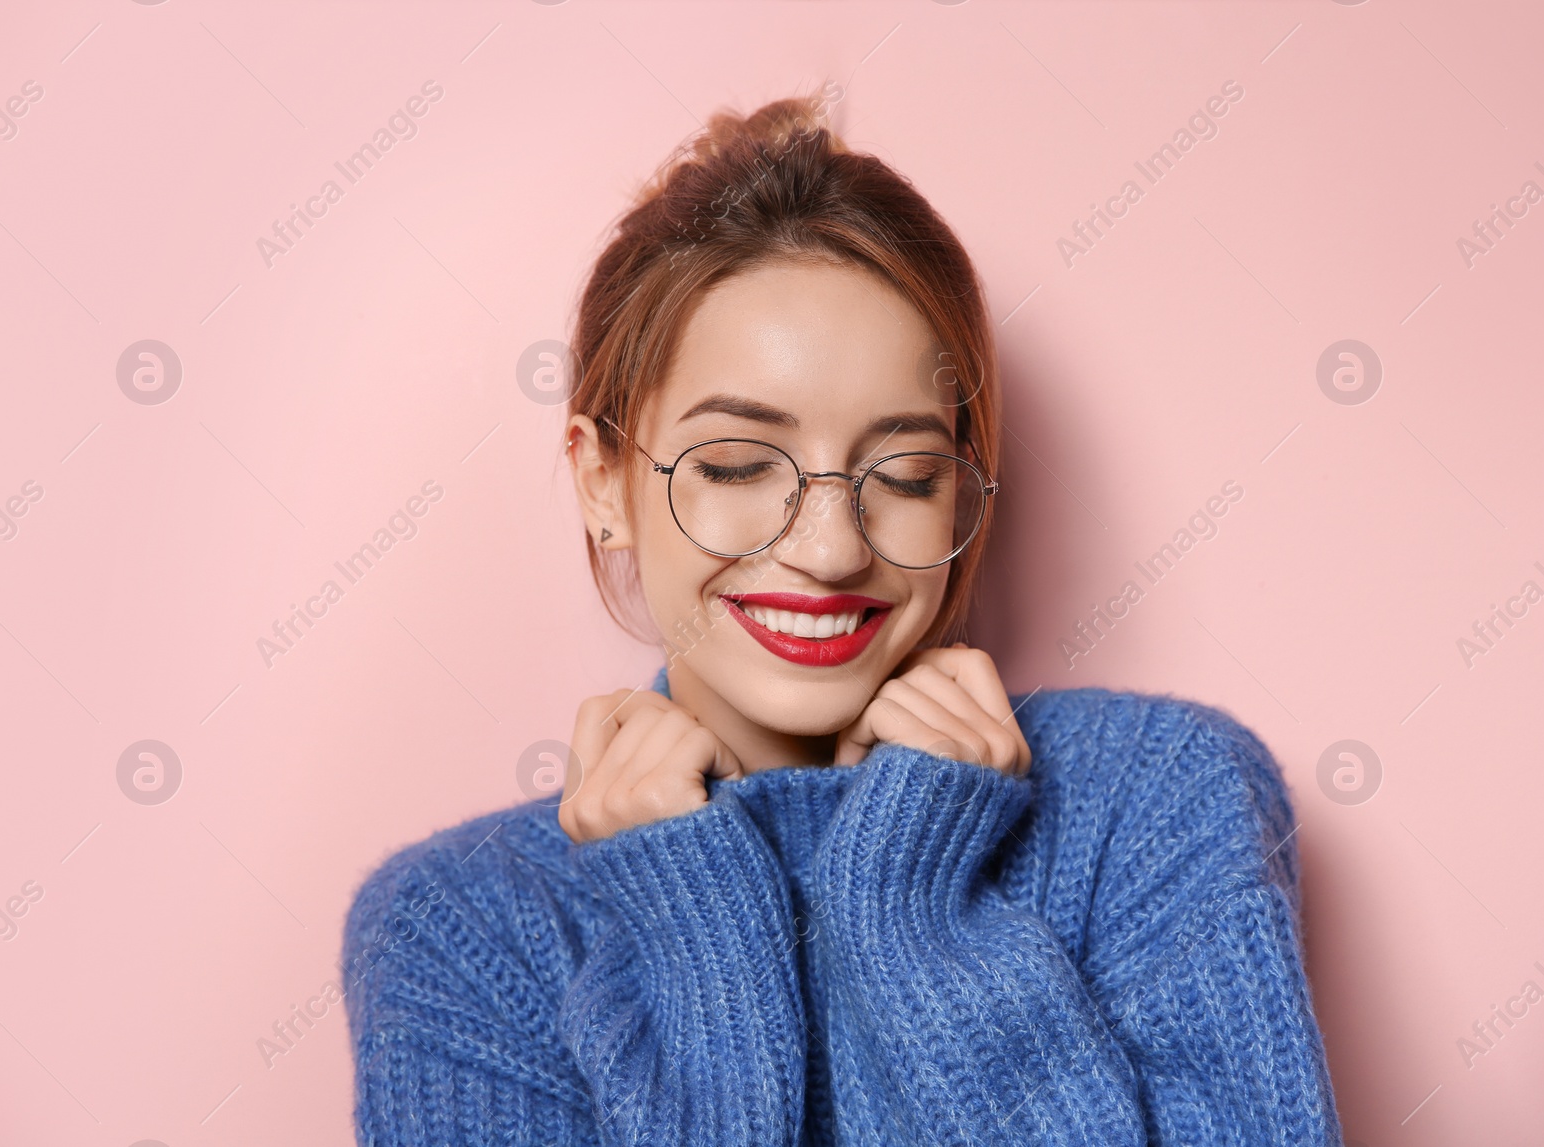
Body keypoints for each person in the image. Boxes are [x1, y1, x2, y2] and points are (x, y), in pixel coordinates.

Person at [342, 91, 1344, 1145]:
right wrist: (695, 922)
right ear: (600, 478)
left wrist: (911, 914)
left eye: (905, 474)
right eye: (735, 464)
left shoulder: (1159, 800)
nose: (830, 550)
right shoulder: (462, 929)